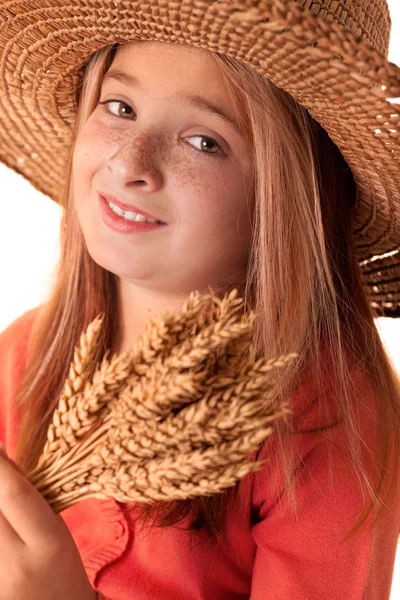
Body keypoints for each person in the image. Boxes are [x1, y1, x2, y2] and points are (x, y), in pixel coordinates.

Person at [0, 1, 399, 599]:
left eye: (204, 142)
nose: (130, 163)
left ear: (288, 198)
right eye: (120, 107)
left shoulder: (325, 418)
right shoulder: (25, 356)